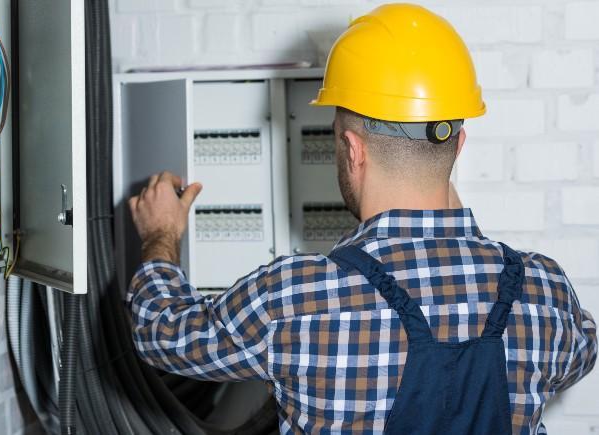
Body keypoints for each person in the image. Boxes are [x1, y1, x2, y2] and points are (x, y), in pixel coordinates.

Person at [125, 4, 597, 434]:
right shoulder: (543, 291)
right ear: (459, 145)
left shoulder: (294, 298)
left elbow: (161, 333)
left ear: (352, 150)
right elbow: (583, 352)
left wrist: (160, 234)